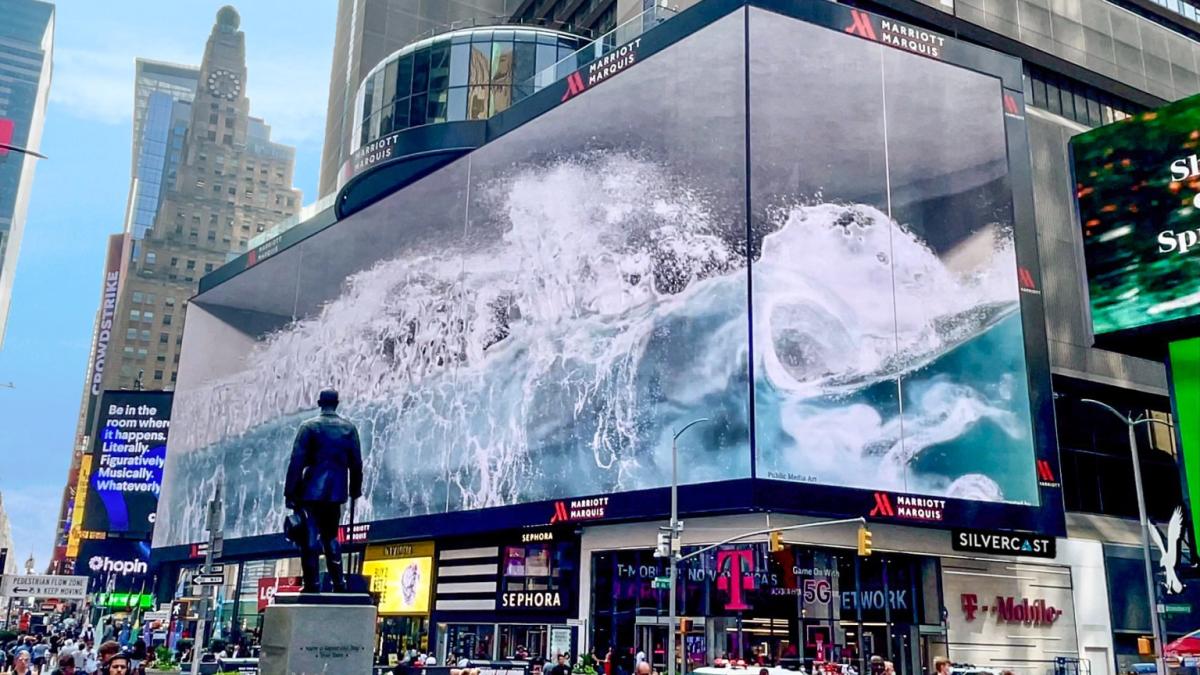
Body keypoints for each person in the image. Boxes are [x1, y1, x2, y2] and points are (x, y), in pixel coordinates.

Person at [285, 388, 364, 593]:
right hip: (336, 494)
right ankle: (339, 584)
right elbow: (356, 464)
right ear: (337, 403)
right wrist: (355, 489)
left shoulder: (309, 427)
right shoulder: (349, 429)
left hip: (311, 492)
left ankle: (312, 585)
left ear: (319, 403)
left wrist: (290, 494)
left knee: (309, 539)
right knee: (331, 537)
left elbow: (296, 462)